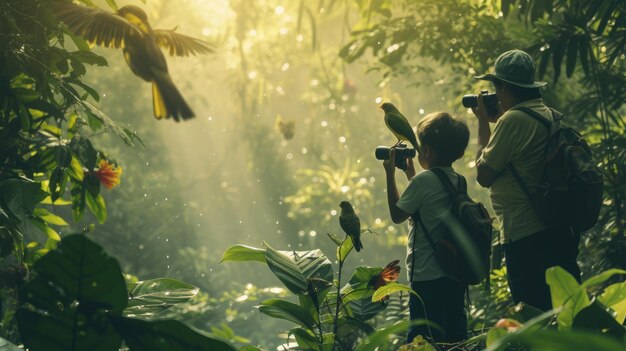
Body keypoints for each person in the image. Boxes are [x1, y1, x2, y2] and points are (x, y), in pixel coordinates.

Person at [472, 49, 581, 311]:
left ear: (505, 87)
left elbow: (483, 174)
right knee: (566, 314)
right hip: (557, 230)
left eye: (496, 87)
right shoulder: (549, 114)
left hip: (526, 236)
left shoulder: (511, 121)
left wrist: (483, 124)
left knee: (534, 315)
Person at [383, 112, 470, 344]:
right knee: (453, 336)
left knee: (423, 338)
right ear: (459, 153)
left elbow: (397, 214)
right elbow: (429, 210)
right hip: (453, 273)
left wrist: (389, 174)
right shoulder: (459, 180)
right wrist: (411, 175)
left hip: (427, 277)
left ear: (427, 151)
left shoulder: (423, 182)